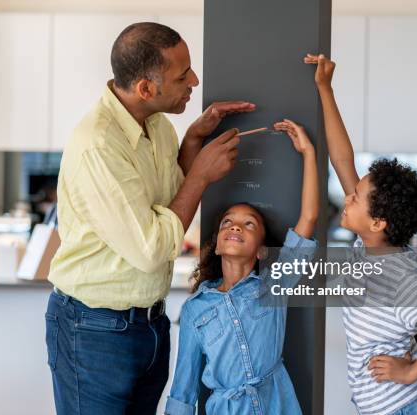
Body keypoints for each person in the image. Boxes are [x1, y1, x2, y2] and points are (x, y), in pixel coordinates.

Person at [44, 22, 257, 415]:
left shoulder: (157, 125)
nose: (194, 80)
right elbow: (152, 248)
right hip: (94, 331)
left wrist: (192, 141)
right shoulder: (99, 145)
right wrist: (202, 175)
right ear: (145, 88)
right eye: (182, 75)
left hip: (149, 326)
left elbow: (168, 198)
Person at [305, 53, 417, 415]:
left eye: (355, 197)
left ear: (379, 221)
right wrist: (324, 88)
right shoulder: (369, 245)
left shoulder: (399, 277)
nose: (347, 197)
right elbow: (342, 160)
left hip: (408, 407)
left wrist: (411, 370)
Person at [165, 119, 319, 414]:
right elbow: (182, 389)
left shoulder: (274, 284)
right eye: (227, 222)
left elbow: (309, 218)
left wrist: (309, 152)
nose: (235, 226)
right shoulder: (195, 309)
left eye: (249, 224)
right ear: (218, 244)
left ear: (262, 250)